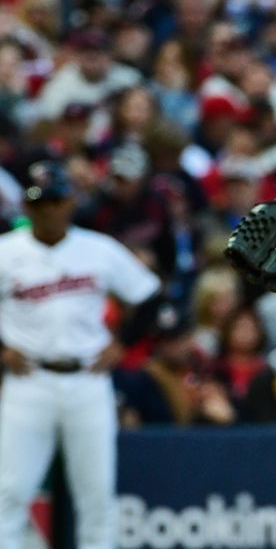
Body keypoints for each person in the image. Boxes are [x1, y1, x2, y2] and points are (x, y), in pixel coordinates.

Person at [0, 161, 166, 549]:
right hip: (29, 381)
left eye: (57, 200)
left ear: (71, 201)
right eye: (41, 202)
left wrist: (122, 342)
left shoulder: (98, 249)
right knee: (10, 491)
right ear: (27, 206)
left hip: (87, 379)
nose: (50, 210)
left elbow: (150, 298)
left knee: (96, 496)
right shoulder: (7, 252)